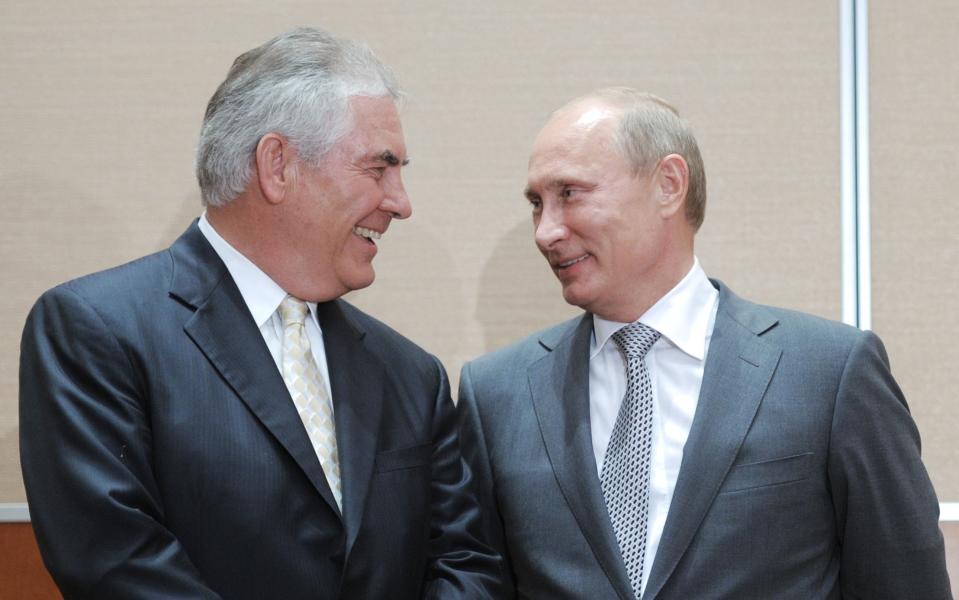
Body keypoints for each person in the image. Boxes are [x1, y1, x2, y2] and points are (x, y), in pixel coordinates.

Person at [20, 27, 503, 599]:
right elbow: (115, 562)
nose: (401, 202)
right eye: (379, 169)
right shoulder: (96, 331)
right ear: (278, 165)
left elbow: (466, 565)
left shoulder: (410, 375)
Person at [456, 87, 951, 599]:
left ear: (668, 185)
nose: (545, 231)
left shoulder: (829, 374)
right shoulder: (496, 395)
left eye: (570, 193)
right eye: (537, 203)